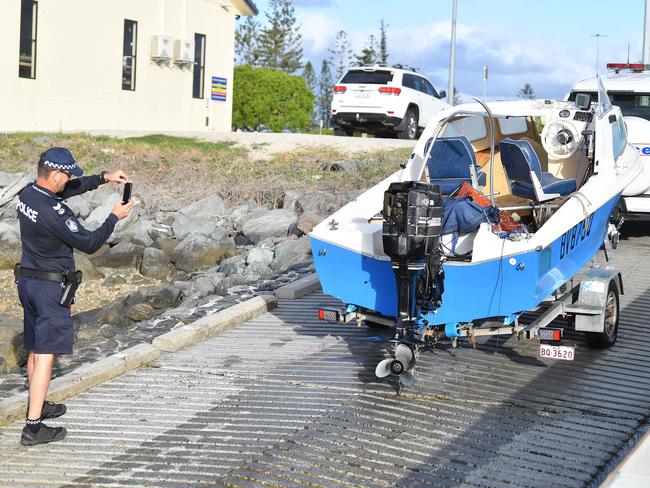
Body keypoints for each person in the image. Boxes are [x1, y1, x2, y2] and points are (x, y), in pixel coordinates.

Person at [16, 147, 134, 446]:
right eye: (65, 175)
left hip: (29, 282)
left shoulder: (29, 194)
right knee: (46, 352)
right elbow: (90, 243)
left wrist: (104, 178)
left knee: (34, 345)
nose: (68, 180)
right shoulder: (54, 212)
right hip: (50, 290)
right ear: (53, 173)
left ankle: (38, 403)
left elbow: (70, 188)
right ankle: (33, 427)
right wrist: (113, 217)